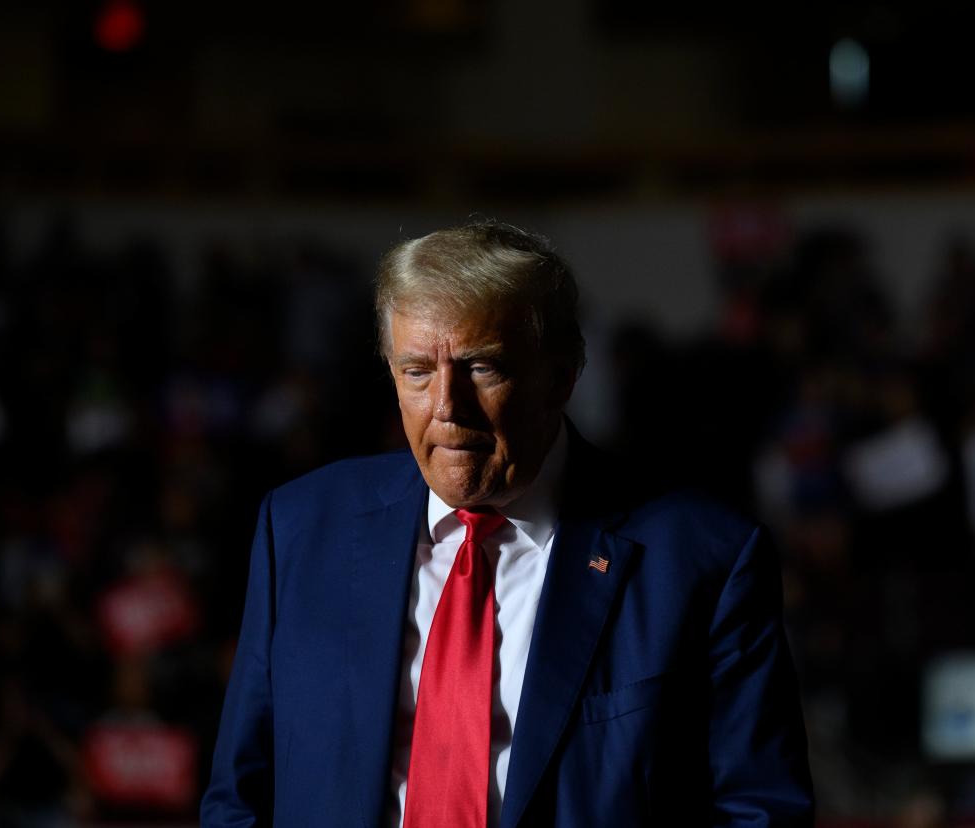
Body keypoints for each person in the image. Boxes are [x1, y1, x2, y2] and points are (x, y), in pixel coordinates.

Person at [201, 221, 814, 827]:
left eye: (482, 368)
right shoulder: (302, 528)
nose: (447, 409)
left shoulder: (701, 557)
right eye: (417, 372)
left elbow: (759, 811)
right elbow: (240, 795)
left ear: (563, 375)